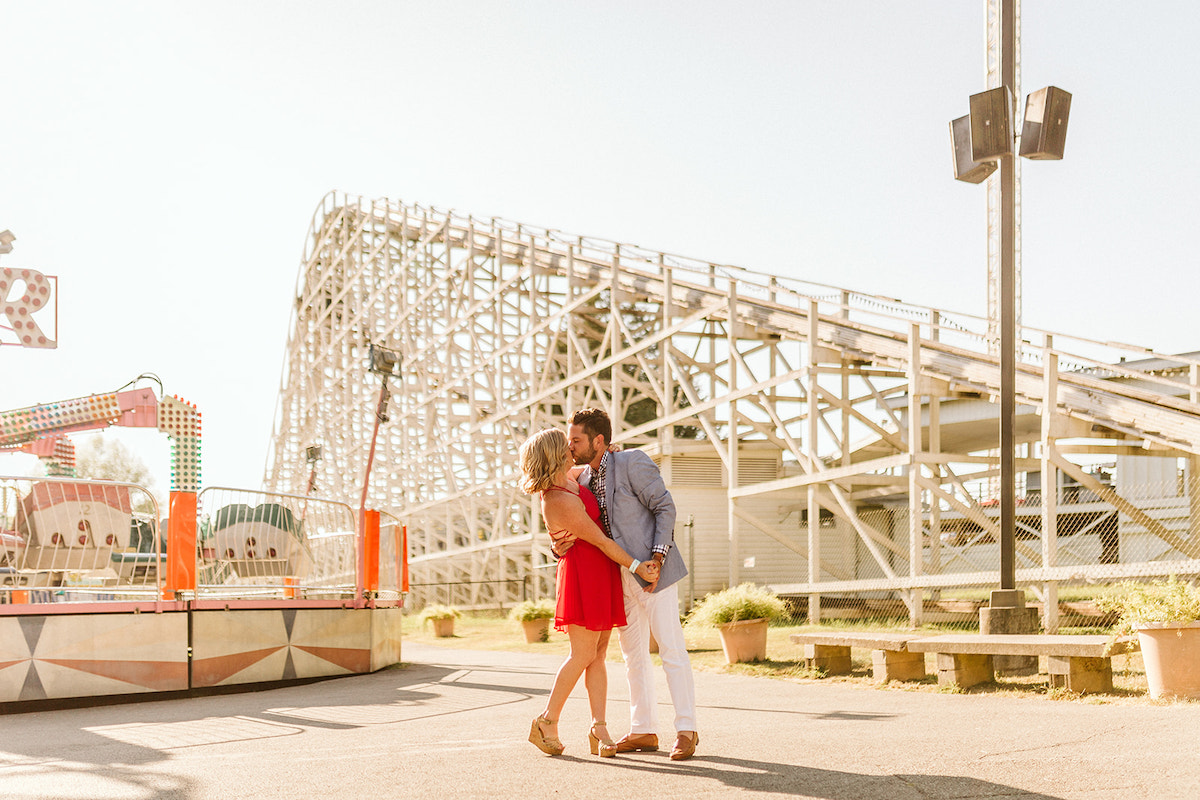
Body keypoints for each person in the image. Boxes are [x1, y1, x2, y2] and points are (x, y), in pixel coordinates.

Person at [556, 407, 699, 761]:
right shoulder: (583, 480)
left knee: (671, 650)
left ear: (599, 440)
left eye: (576, 440)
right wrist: (558, 541)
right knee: (633, 655)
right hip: (616, 577)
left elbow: (665, 507)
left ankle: (687, 729)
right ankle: (643, 729)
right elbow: (573, 519)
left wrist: (658, 558)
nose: (570, 446)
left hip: (654, 570)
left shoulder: (632, 461)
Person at [518, 427, 660, 758]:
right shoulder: (556, 498)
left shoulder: (569, 476)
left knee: (597, 654)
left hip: (601, 570)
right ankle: (547, 721)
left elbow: (597, 465)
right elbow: (600, 540)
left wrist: (612, 450)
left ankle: (599, 727)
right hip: (584, 573)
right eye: (565, 444)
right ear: (555, 453)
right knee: (582, 653)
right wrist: (637, 565)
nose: (571, 446)